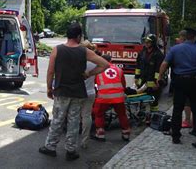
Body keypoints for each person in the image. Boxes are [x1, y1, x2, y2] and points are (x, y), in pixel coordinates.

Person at [39, 23, 109, 161]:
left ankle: (50, 147)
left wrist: (49, 88)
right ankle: (71, 150)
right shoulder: (85, 52)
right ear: (78, 36)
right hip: (78, 92)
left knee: (58, 120)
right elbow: (105, 64)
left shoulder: (57, 50)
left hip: (61, 91)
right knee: (74, 121)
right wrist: (89, 74)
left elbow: (50, 71)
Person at [157, 27, 196, 145]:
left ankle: (176, 136)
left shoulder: (175, 49)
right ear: (195, 37)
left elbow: (164, 64)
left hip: (180, 82)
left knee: (178, 108)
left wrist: (159, 77)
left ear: (185, 37)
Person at [93, 54, 130, 142]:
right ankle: (126, 133)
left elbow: (95, 84)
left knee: (98, 113)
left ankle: (100, 133)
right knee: (122, 114)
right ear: (111, 61)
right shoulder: (119, 70)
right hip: (119, 97)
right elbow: (123, 85)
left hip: (103, 97)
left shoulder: (98, 70)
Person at [134, 34, 165, 119]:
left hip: (153, 82)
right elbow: (138, 66)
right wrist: (136, 77)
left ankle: (153, 116)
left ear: (153, 43)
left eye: (148, 42)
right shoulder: (142, 53)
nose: (146, 43)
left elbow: (158, 70)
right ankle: (141, 115)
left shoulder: (158, 54)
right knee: (140, 99)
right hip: (142, 80)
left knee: (153, 100)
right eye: (145, 41)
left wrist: (156, 81)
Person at [79, 40, 98, 149]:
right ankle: (84, 141)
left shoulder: (78, 62)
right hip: (90, 92)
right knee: (87, 116)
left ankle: (71, 141)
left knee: (75, 116)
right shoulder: (94, 63)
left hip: (78, 92)